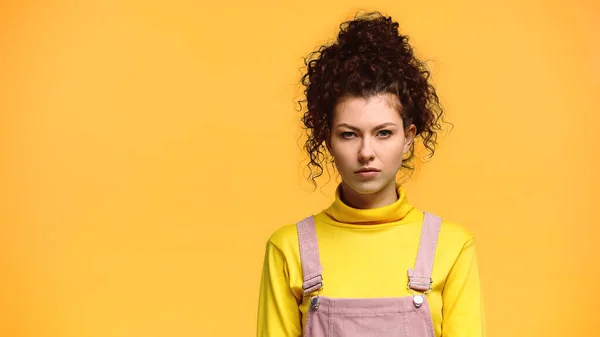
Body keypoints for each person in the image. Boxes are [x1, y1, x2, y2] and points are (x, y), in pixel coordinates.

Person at [256, 11, 484, 337]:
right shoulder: (289, 249)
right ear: (328, 140)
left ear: (408, 138)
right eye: (349, 134)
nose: (366, 152)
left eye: (383, 133)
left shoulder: (451, 248)